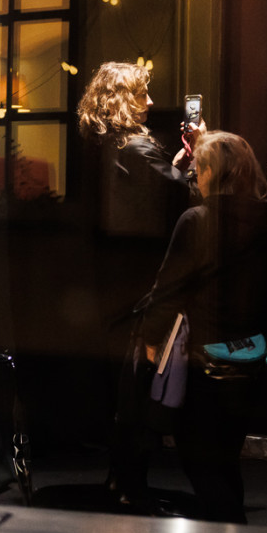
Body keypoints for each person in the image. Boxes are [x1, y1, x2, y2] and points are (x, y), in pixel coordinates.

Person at [128, 131, 267, 522]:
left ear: (214, 172)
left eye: (199, 168)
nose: (195, 176)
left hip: (203, 361)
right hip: (251, 358)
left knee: (201, 465)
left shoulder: (197, 220)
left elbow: (167, 292)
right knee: (226, 461)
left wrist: (148, 348)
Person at [77, 61, 199, 497]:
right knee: (137, 385)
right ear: (121, 100)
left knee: (125, 385)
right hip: (140, 281)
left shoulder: (103, 144)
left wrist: (178, 165)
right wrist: (194, 161)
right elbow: (178, 199)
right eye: (141, 95)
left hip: (110, 278)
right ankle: (130, 482)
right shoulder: (135, 149)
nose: (149, 103)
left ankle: (122, 477)